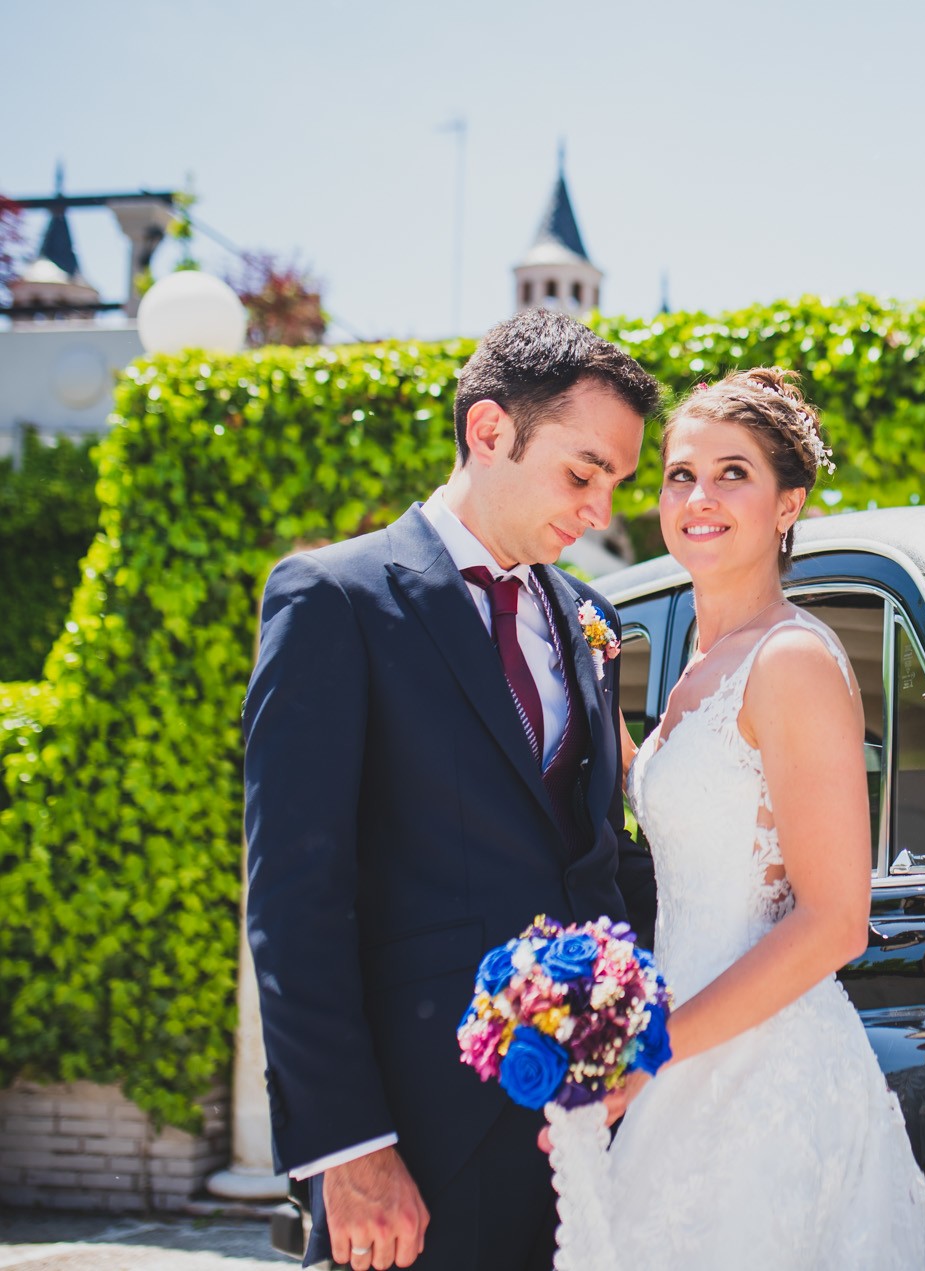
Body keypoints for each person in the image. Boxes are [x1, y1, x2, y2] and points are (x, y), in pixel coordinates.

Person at [242, 309, 659, 1271]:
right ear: (489, 429)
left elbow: (596, 858)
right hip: (419, 1141)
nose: (601, 512)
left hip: (585, 1136)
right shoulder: (334, 600)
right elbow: (296, 900)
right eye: (583, 473)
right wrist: (350, 1148)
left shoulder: (590, 617)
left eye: (616, 484)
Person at [541, 369, 925, 1270]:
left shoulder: (791, 657)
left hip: (766, 1071)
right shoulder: (695, 668)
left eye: (733, 473)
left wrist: (650, 1052)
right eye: (680, 475)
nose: (699, 496)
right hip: (684, 1060)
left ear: (787, 504)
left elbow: (836, 921)